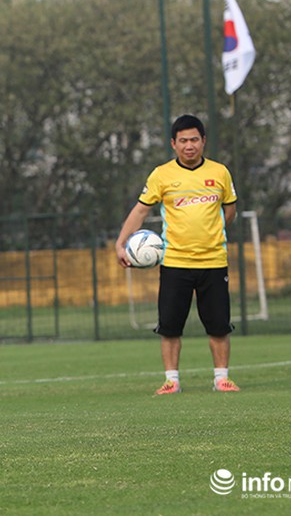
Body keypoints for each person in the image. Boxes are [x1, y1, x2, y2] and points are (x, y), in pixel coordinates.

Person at [115, 114, 240, 395]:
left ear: (203, 141)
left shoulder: (220, 172)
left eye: (194, 139)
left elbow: (229, 210)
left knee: (219, 326)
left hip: (213, 261)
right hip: (174, 262)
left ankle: (221, 379)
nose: (189, 145)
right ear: (173, 144)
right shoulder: (161, 175)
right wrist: (120, 244)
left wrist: (212, 231)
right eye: (183, 140)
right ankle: (172, 381)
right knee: (170, 327)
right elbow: (140, 210)